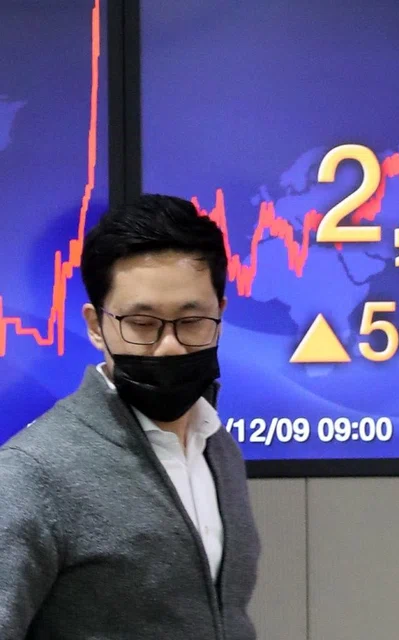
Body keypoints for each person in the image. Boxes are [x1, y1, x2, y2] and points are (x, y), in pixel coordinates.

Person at [0, 194, 260, 639]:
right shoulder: (33, 473)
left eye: (192, 321)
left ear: (221, 313)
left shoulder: (219, 448)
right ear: (96, 326)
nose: (170, 346)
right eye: (141, 324)